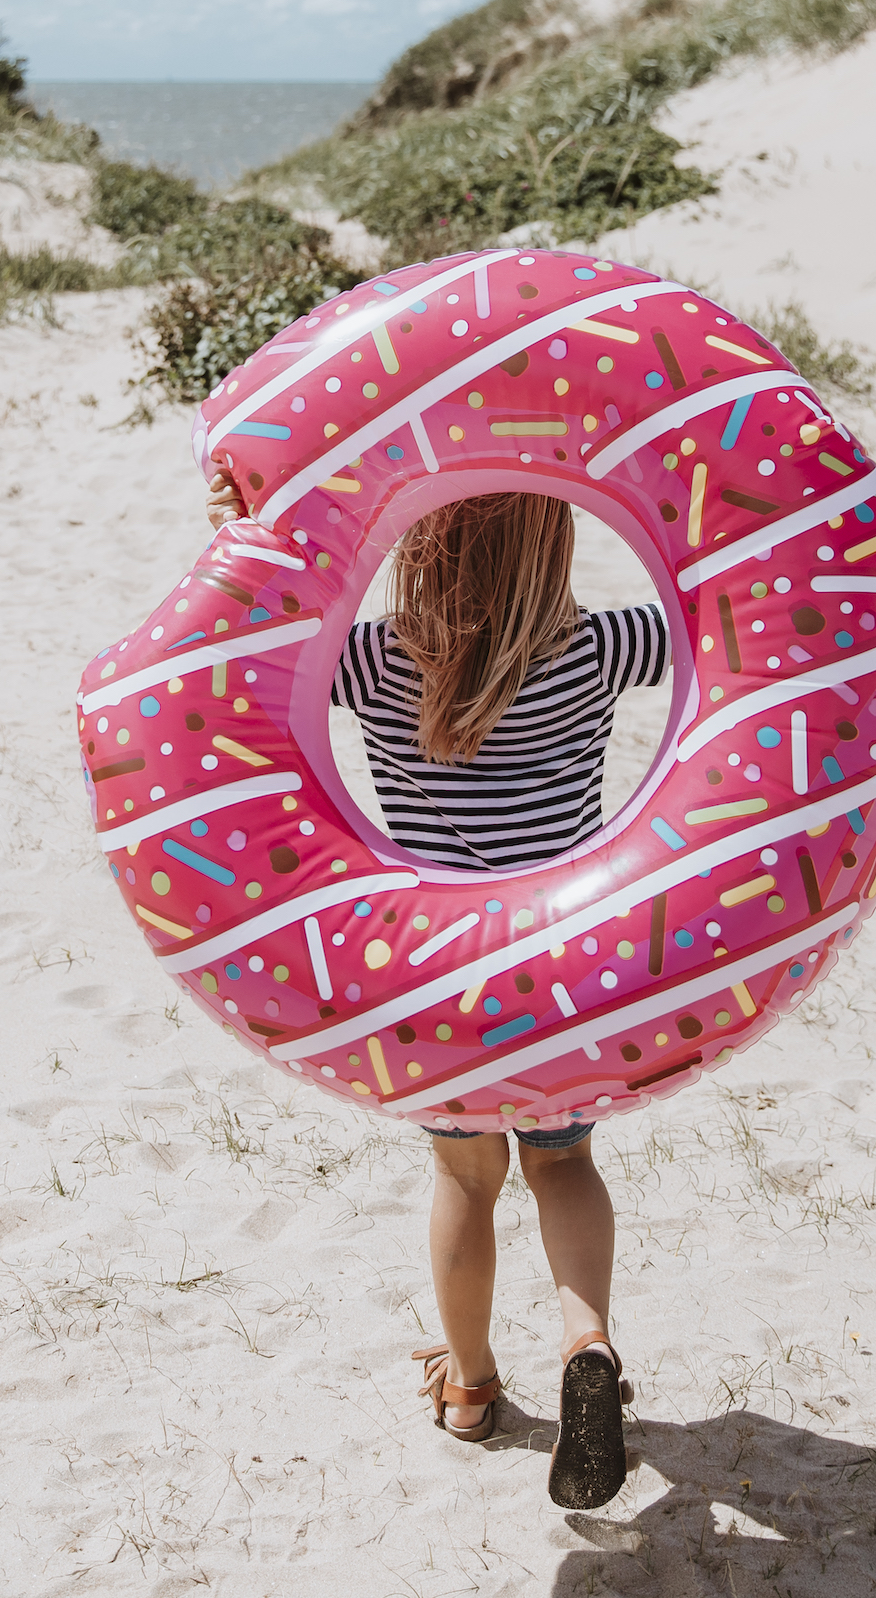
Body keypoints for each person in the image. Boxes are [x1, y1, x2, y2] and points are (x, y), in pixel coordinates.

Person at [207, 472, 668, 1510]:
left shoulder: (372, 659)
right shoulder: (598, 650)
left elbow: (248, 649)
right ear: (557, 539)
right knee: (564, 1162)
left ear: (413, 543)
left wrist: (241, 532)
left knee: (468, 1181)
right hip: (564, 974)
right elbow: (718, 627)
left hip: (438, 981)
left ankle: (469, 1386)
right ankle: (586, 1336)